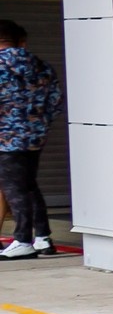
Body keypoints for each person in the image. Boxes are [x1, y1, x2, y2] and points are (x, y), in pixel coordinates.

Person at [0, 19, 62, 259]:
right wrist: (38, 124)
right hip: (35, 136)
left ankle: (22, 240)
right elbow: (55, 102)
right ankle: (42, 237)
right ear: (20, 41)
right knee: (28, 185)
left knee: (15, 189)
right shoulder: (42, 66)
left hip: (6, 137)